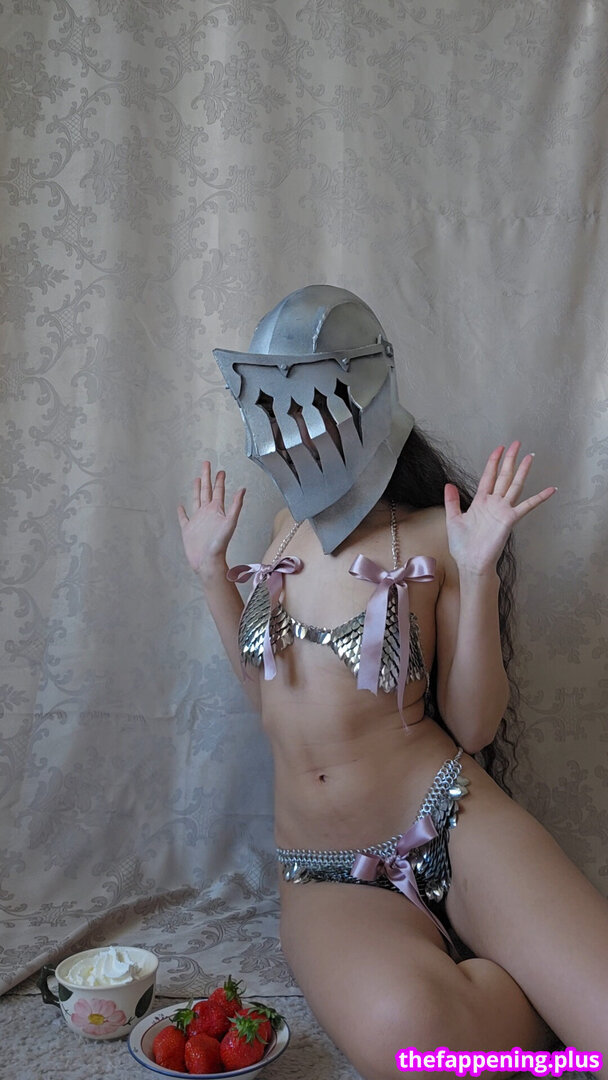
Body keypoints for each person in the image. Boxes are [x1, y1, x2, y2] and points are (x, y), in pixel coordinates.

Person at [178, 286, 608, 1080]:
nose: (295, 425)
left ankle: (534, 975)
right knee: (414, 1048)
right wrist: (212, 574)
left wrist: (477, 574)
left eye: (312, 399)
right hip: (325, 866)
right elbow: (272, 707)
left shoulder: (438, 532)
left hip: (449, 814)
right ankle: (519, 995)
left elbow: (473, 728)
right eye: (271, 400)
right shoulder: (280, 532)